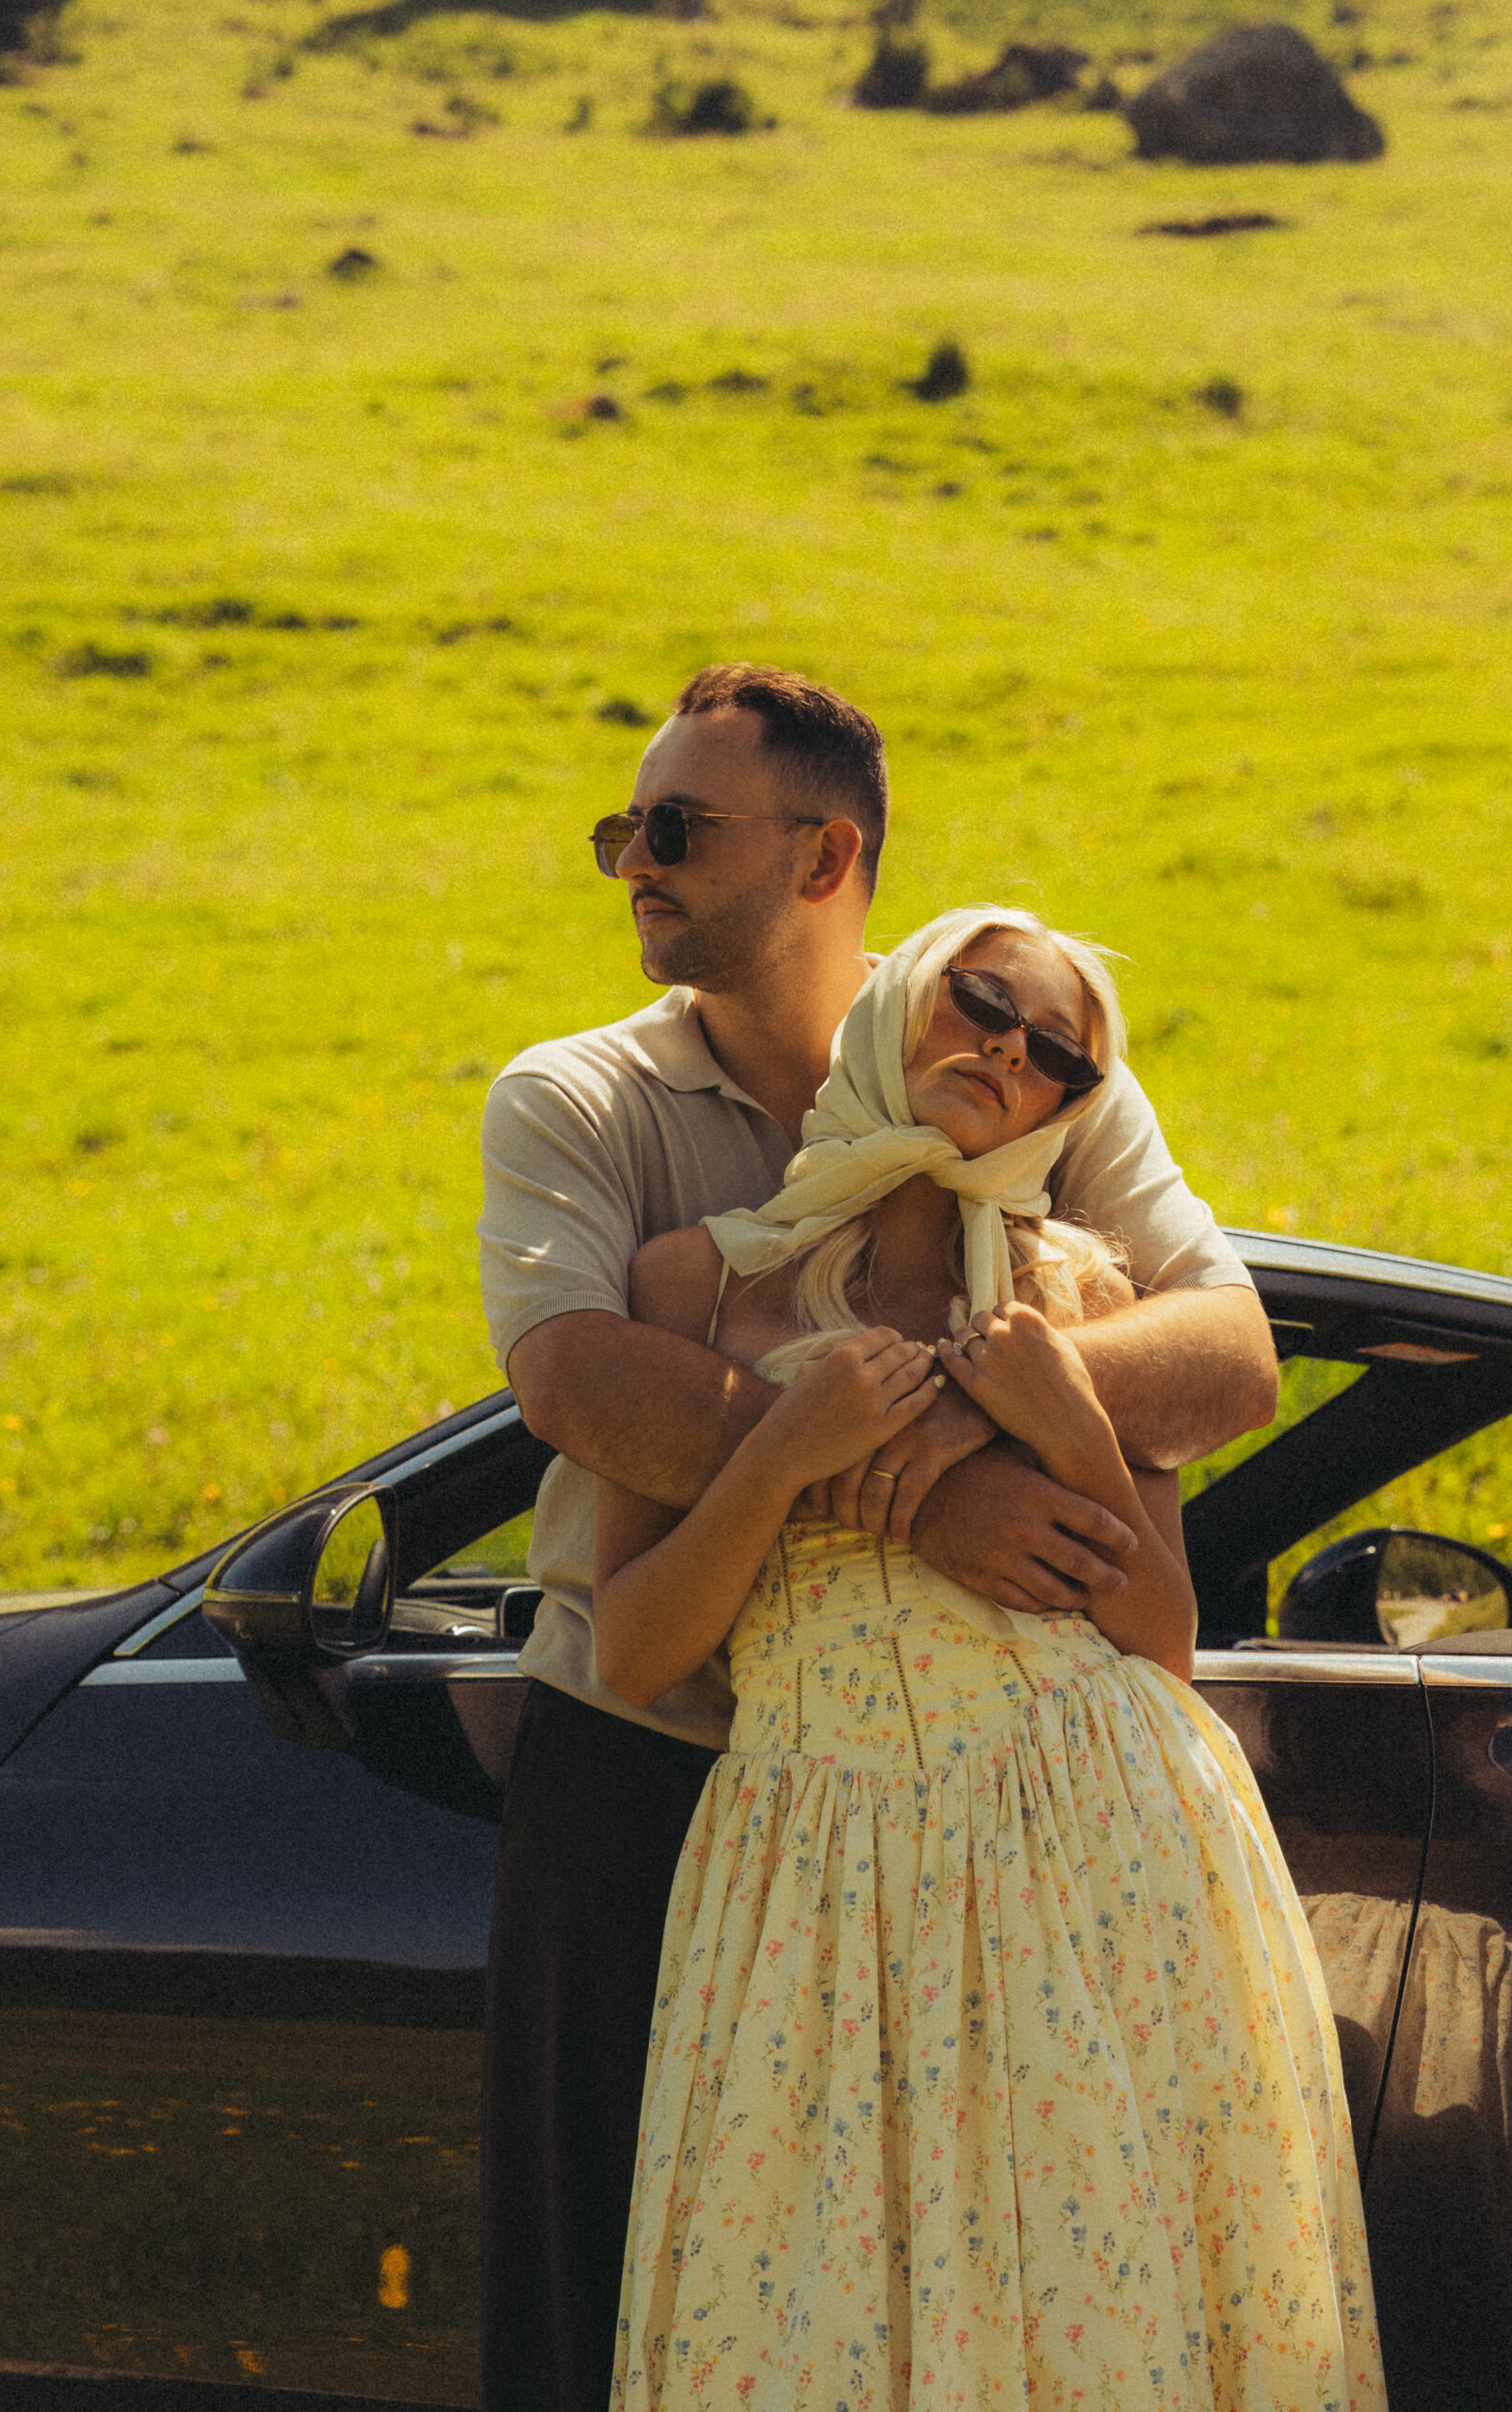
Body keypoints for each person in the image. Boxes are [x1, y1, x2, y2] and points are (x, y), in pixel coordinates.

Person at [476, 664, 1277, 2411]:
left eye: (675, 829)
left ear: (825, 852)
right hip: (655, 1775)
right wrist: (941, 1482)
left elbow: (1222, 1358)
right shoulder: (581, 1099)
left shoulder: (1013, 1054)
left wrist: (1014, 1405)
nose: (634, 862)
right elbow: (581, 1386)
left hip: (1017, 1838)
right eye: (626, 828)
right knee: (637, 2296)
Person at [597, 905, 1383, 2411]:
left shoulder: (1078, 1290)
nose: (1004, 1054)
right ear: (899, 1001)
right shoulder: (690, 1284)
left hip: (1093, 1839)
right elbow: (634, 1648)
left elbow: (1158, 1633)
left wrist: (1066, 1412)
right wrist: (780, 1452)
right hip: (809, 1867)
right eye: (978, 1003)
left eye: (1053, 1058)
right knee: (803, 2330)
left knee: (1101, 2312)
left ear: (1067, 1109)